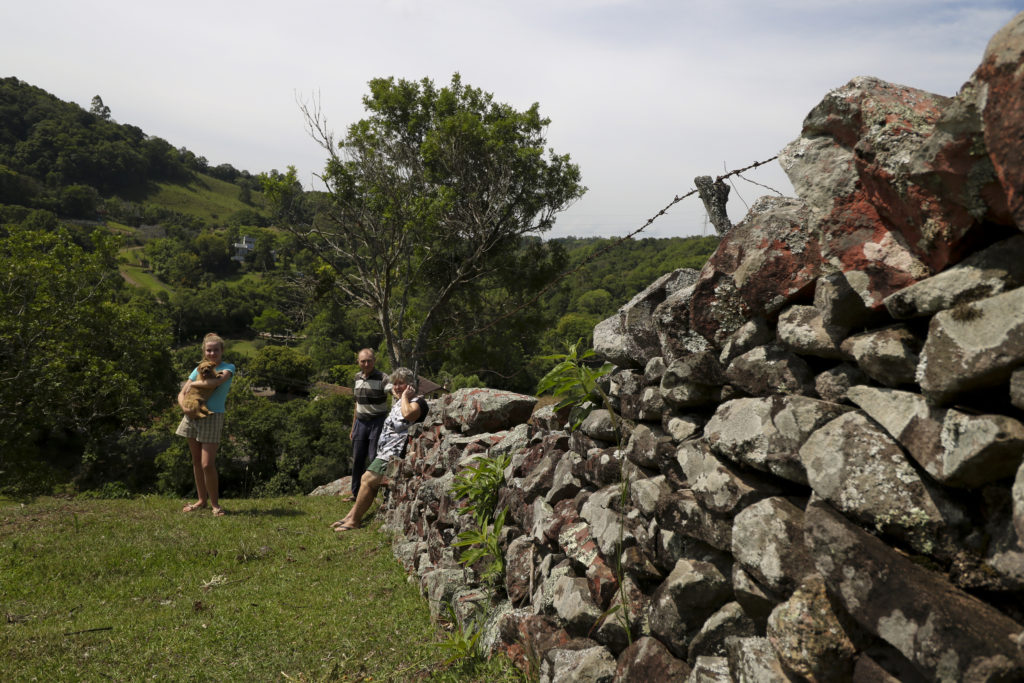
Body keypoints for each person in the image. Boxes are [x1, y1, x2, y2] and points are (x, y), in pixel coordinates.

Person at [332, 367, 428, 532]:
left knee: (368, 480)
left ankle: (354, 520)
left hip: (394, 454)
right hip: (385, 452)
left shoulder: (418, 402)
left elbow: (408, 415)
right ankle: (350, 516)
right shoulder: (400, 402)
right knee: (366, 480)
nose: (397, 387)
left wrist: (405, 396)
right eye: (395, 384)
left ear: (410, 385)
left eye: (401, 384)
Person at [176, 333, 234, 517]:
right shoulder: (197, 369)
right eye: (209, 350)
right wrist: (184, 408)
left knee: (207, 464)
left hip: (213, 416)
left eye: (216, 350)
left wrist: (192, 385)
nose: (212, 353)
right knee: (196, 462)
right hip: (192, 414)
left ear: (222, 351)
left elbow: (214, 383)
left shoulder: (227, 368)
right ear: (204, 351)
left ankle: (215, 505)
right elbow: (182, 392)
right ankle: (201, 501)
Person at [346, 348, 390, 503]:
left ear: (374, 361)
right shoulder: (357, 378)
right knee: (357, 459)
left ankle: (372, 494)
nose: (366, 364)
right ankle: (356, 493)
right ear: (358, 362)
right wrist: (353, 428)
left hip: (377, 422)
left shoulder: (383, 378)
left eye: (369, 360)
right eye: (363, 361)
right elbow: (357, 404)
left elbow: (393, 390)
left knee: (374, 458)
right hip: (360, 423)